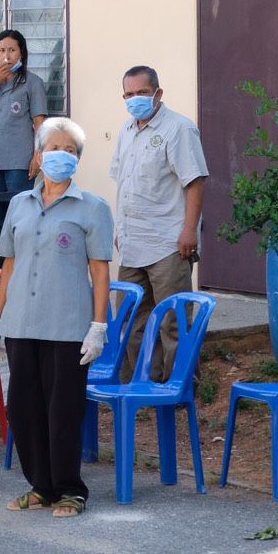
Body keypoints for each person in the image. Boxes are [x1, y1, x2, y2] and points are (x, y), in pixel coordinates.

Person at [0, 118, 114, 517]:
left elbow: (99, 269)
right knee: (23, 408)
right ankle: (39, 485)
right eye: (53, 149)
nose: (61, 156)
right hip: (23, 321)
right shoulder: (20, 205)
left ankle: (69, 490)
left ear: (77, 160)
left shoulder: (92, 208)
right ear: (38, 157)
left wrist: (98, 325)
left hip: (68, 325)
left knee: (63, 410)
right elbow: (8, 263)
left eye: (70, 151)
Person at [109, 66, 208, 383]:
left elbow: (195, 182)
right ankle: (143, 382)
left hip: (168, 241)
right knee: (131, 316)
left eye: (142, 92)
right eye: (129, 94)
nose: (135, 99)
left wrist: (189, 230)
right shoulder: (126, 130)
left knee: (172, 320)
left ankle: (178, 385)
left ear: (157, 94)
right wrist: (119, 229)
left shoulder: (178, 129)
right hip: (132, 242)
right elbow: (124, 182)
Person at [0, 29, 47, 265]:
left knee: (18, 216)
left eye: (12, 50)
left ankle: (18, 266)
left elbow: (40, 123)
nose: (6, 56)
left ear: (21, 53)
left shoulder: (33, 83)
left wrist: (38, 154)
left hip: (19, 162)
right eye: (1, 50)